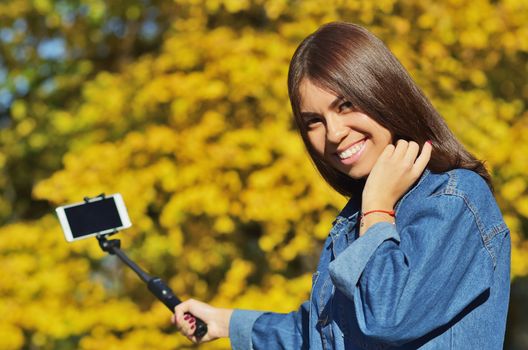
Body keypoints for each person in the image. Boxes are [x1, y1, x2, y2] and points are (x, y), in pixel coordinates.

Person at [171, 22, 510, 349]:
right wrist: (226, 322)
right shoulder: (356, 219)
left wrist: (377, 208)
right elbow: (328, 333)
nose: (333, 133)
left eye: (345, 105)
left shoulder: (454, 198)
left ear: (384, 94)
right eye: (314, 121)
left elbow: (389, 316)